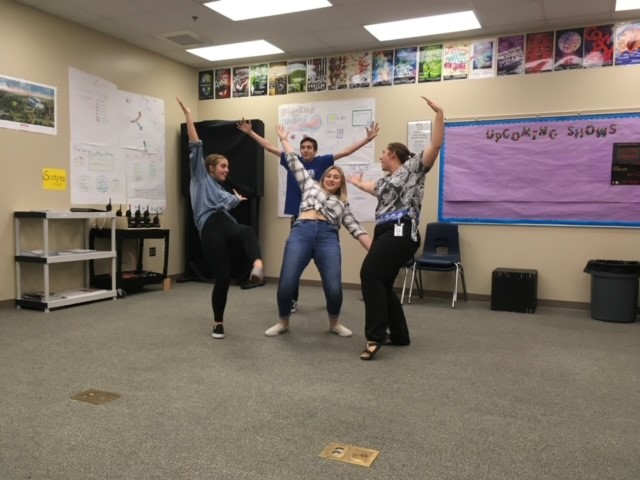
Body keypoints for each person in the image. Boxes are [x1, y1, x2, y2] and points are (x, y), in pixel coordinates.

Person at [237, 117, 379, 314]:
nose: (305, 150)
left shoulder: (324, 162)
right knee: (293, 263)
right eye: (303, 147)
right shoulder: (293, 161)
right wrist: (250, 133)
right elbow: (269, 147)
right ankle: (292, 300)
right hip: (300, 217)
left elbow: (346, 151)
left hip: (326, 220)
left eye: (309, 147)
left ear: (315, 150)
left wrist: (367, 140)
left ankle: (331, 299)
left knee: (326, 261)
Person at [348, 96, 444, 360]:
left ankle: (375, 336)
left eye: (383, 152)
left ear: (392, 153)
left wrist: (439, 114)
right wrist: (357, 183)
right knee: (383, 281)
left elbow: (435, 144)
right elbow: (371, 187)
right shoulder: (385, 181)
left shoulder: (413, 168)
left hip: (401, 230)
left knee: (369, 274)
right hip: (384, 232)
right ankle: (400, 335)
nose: (380, 156)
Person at [264, 125, 372, 337]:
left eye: (336, 177)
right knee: (286, 283)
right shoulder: (310, 186)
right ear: (323, 178)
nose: (331, 179)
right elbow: (293, 162)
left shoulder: (342, 205)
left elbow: (357, 230)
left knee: (334, 287)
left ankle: (334, 323)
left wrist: (375, 250)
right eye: (329, 175)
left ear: (341, 183)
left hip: (327, 237)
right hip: (301, 233)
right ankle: (283, 322)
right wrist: (284, 139)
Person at [177, 97, 264, 340]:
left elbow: (231, 201)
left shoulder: (223, 191)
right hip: (210, 228)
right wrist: (189, 116)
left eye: (228, 167)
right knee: (223, 278)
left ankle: (257, 266)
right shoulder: (200, 178)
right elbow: (195, 144)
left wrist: (236, 199)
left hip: (226, 225)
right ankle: (218, 323)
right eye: (223, 166)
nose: (227, 170)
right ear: (211, 167)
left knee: (246, 230)